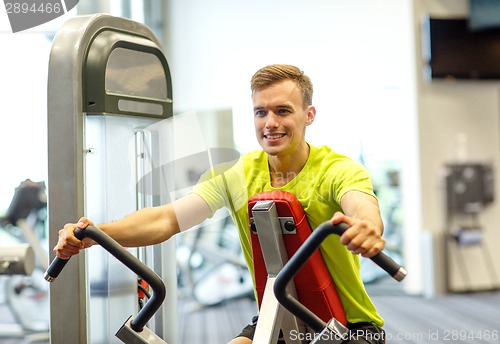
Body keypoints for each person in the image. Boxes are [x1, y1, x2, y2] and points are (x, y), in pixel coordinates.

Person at [54, 64, 386, 343]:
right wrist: (93, 234)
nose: (270, 122)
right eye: (261, 112)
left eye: (283, 111)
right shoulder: (238, 173)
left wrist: (366, 226)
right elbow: (167, 219)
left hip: (349, 326)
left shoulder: (337, 168)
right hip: (278, 313)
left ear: (308, 115)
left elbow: (360, 205)